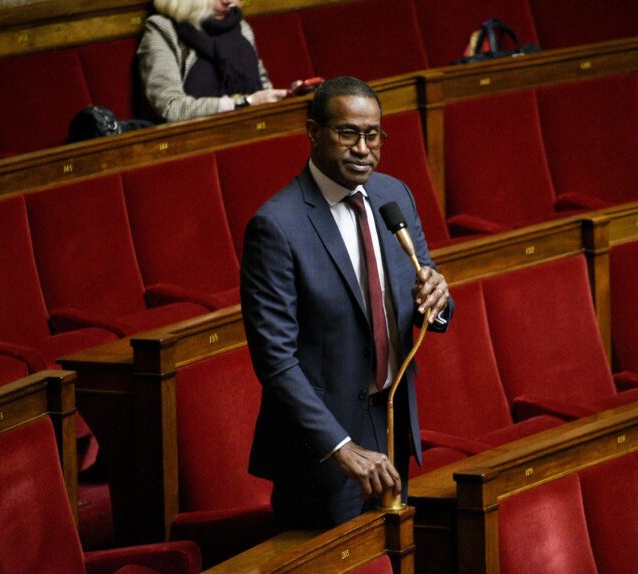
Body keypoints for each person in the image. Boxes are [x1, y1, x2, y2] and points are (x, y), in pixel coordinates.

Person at [241, 76, 453, 529]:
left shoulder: (394, 195)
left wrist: (437, 298)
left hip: (393, 418)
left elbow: (424, 287)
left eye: (373, 135)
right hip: (320, 453)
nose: (363, 149)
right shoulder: (277, 225)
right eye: (348, 133)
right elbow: (274, 359)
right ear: (313, 132)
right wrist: (340, 447)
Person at [137, 0, 287, 122]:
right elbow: (170, 108)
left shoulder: (239, 26)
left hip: (252, 127)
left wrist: (286, 95)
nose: (228, 1)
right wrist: (242, 103)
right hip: (196, 139)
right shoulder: (163, 29)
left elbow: (263, 90)